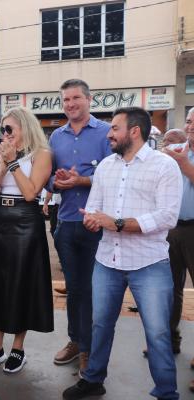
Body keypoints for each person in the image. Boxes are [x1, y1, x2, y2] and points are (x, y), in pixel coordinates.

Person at [62, 107, 181, 400]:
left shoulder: (164, 166)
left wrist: (116, 223)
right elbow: (94, 208)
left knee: (157, 333)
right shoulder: (105, 167)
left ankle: (166, 392)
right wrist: (91, 219)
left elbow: (167, 217)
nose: (109, 134)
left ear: (134, 131)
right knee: (100, 324)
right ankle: (93, 380)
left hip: (149, 263)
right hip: (107, 260)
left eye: (114, 128)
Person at [0, 107, 53, 373]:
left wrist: (13, 163)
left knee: (21, 283)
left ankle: (18, 348)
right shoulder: (2, 154)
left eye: (9, 129)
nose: (5, 134)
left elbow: (31, 193)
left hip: (26, 222)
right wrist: (2, 163)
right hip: (1, 220)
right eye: (3, 129)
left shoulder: (41, 154)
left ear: (24, 128)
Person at [49, 79, 112, 372]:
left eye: (76, 98)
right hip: (66, 222)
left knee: (92, 290)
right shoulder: (56, 137)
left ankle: (89, 348)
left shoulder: (106, 133)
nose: (70, 104)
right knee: (74, 289)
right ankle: (76, 341)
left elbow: (115, 178)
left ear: (89, 99)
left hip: (96, 225)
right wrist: (58, 181)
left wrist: (83, 180)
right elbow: (48, 180)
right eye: (66, 100)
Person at [162, 108, 194, 376]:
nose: (191, 125)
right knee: (170, 289)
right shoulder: (175, 149)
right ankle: (169, 343)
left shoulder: (181, 157)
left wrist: (185, 166)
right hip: (171, 230)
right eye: (189, 121)